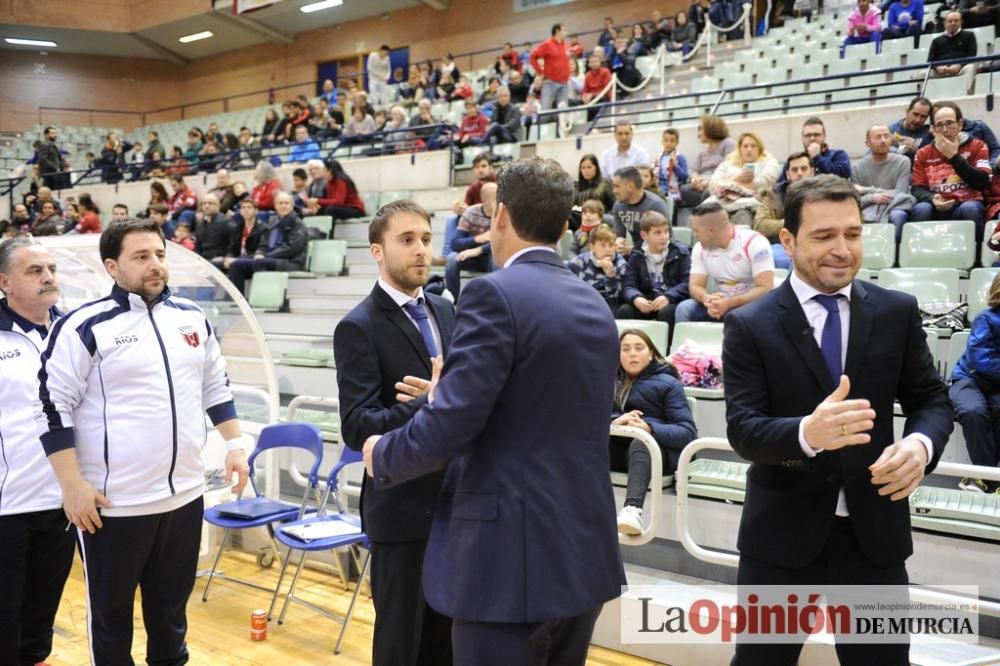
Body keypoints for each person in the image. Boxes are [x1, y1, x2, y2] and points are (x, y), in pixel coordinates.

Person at [360, 158, 626, 665]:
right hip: (583, 547)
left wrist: (383, 453)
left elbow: (453, 423)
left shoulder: (492, 293)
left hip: (508, 558)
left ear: (500, 216)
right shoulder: (594, 301)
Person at [722, 174, 953, 664]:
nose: (842, 249)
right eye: (824, 236)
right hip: (780, 540)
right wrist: (807, 433)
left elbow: (931, 401)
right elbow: (743, 429)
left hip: (874, 537)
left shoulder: (896, 311)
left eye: (852, 233)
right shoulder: (750, 324)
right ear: (787, 240)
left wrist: (920, 447)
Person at [38, 218, 250, 665]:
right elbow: (52, 406)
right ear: (113, 267)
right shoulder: (84, 326)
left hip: (185, 498)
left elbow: (217, 386)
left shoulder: (192, 318)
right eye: (141, 257)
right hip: (115, 507)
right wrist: (72, 485)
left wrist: (234, 445)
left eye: (158, 254)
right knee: (112, 620)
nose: (155, 265)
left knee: (171, 615)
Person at [334, 199, 456, 666]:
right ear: (377, 252)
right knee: (401, 646)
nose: (421, 250)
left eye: (425, 239)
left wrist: (449, 394)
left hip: (456, 502)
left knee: (446, 643)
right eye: (406, 240)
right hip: (402, 509)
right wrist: (431, 401)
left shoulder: (446, 310)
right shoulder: (358, 326)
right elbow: (358, 425)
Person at [0, 238, 75, 666]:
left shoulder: (73, 331)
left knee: (42, 612)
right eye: (34, 271)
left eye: (50, 268)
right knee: (4, 616)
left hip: (64, 499)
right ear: (5, 282)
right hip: (7, 504)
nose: (48, 277)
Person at [612, 329, 697, 535]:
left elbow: (687, 433)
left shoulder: (669, 384)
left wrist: (649, 428)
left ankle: (632, 510)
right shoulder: (609, 383)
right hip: (621, 450)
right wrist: (616, 420)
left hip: (661, 453)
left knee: (642, 442)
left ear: (650, 353)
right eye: (626, 349)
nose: (632, 353)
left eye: (639, 348)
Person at [676, 201, 775, 324]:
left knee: (739, 315)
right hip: (719, 304)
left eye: (696, 231)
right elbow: (695, 286)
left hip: (751, 306)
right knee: (684, 309)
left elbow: (765, 288)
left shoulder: (755, 243)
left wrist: (729, 303)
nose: (694, 235)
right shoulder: (700, 248)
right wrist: (707, 298)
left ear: (711, 229)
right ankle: (687, 343)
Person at [949, 271, 1000, 494]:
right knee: (973, 411)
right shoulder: (986, 318)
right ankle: (987, 478)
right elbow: (980, 361)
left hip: (996, 384)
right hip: (968, 379)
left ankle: (984, 477)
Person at [911, 101, 991, 240]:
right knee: (921, 209)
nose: (945, 129)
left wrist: (954, 157)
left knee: (970, 209)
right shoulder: (923, 153)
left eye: (949, 123)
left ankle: (977, 257)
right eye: (940, 125)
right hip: (937, 204)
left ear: (960, 124)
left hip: (966, 202)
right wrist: (932, 198)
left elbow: (982, 182)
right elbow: (917, 188)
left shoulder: (978, 146)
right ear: (933, 129)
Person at [616, 210, 692, 330]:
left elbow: (688, 282)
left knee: (666, 313)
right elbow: (628, 285)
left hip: (672, 301)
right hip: (648, 301)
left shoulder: (680, 252)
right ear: (644, 235)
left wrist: (668, 297)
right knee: (625, 311)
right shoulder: (636, 255)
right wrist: (636, 298)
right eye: (657, 233)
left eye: (666, 231)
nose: (664, 237)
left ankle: (666, 347)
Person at [226, 192, 308, 294]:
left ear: (292, 205)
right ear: (275, 206)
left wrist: (267, 256)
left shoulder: (298, 224)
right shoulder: (272, 220)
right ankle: (239, 301)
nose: (283, 206)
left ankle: (263, 297)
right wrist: (260, 253)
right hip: (271, 258)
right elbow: (264, 241)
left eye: (286, 203)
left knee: (260, 262)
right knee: (236, 264)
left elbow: (292, 248)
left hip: (291, 262)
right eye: (280, 203)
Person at [852, 125, 915, 241]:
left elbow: (900, 193)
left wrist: (868, 191)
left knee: (898, 215)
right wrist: (872, 198)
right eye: (878, 137)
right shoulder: (857, 167)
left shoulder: (903, 161)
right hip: (869, 207)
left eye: (886, 136)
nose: (883, 140)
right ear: (868, 143)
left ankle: (895, 255)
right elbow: (855, 201)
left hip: (896, 205)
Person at [707, 131, 781, 226]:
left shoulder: (769, 162)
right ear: (740, 148)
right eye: (745, 146)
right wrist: (736, 179)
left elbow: (763, 183)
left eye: (753, 146)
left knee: (742, 215)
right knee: (703, 216)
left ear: (759, 148)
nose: (749, 149)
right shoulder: (728, 162)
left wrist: (729, 186)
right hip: (722, 203)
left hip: (750, 205)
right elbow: (712, 184)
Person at [446, 182, 497, 299]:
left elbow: (503, 241)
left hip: (491, 256)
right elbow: (456, 243)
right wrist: (477, 239)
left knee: (494, 257)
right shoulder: (471, 212)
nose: (500, 200)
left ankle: (494, 300)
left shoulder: (502, 213)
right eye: (495, 197)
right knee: (451, 259)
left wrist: (480, 250)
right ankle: (451, 301)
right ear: (484, 199)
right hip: (471, 257)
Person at [566, 223, 628, 311]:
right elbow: (563, 275)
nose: (608, 249)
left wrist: (610, 276)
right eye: (603, 245)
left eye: (611, 245)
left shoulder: (621, 264)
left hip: (608, 306)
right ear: (592, 247)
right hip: (583, 303)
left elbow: (616, 299)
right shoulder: (580, 261)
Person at [680, 116, 737, 209]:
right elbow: (694, 170)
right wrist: (694, 178)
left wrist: (708, 182)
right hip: (701, 184)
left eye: (700, 130)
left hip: (718, 181)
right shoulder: (703, 153)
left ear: (711, 129)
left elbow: (729, 167)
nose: (698, 134)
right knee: (684, 190)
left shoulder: (728, 143)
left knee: (708, 192)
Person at [611, 166, 672, 249]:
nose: (614, 191)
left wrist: (632, 249)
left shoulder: (656, 205)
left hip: (657, 255)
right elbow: (619, 235)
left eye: (617, 186)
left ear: (630, 186)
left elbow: (667, 242)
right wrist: (619, 243)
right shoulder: (618, 206)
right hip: (635, 254)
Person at [928, 12, 978, 93]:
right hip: (940, 71)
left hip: (961, 69)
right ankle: (925, 100)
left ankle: (967, 95)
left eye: (956, 21)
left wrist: (959, 66)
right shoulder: (936, 41)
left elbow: (972, 56)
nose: (953, 23)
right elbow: (930, 60)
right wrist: (938, 67)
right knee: (924, 73)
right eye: (950, 21)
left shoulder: (969, 35)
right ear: (944, 23)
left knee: (970, 67)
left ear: (961, 22)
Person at [530, 24, 572, 112]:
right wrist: (540, 72)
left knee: (563, 112)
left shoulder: (566, 46)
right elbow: (533, 57)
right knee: (545, 111)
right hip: (550, 82)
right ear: (557, 31)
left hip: (564, 83)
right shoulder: (547, 44)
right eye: (564, 30)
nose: (566, 33)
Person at [889, 96, 932, 161]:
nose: (918, 120)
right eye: (915, 114)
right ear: (907, 111)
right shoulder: (892, 130)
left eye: (923, 116)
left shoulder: (929, 133)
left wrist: (917, 150)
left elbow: (933, 160)